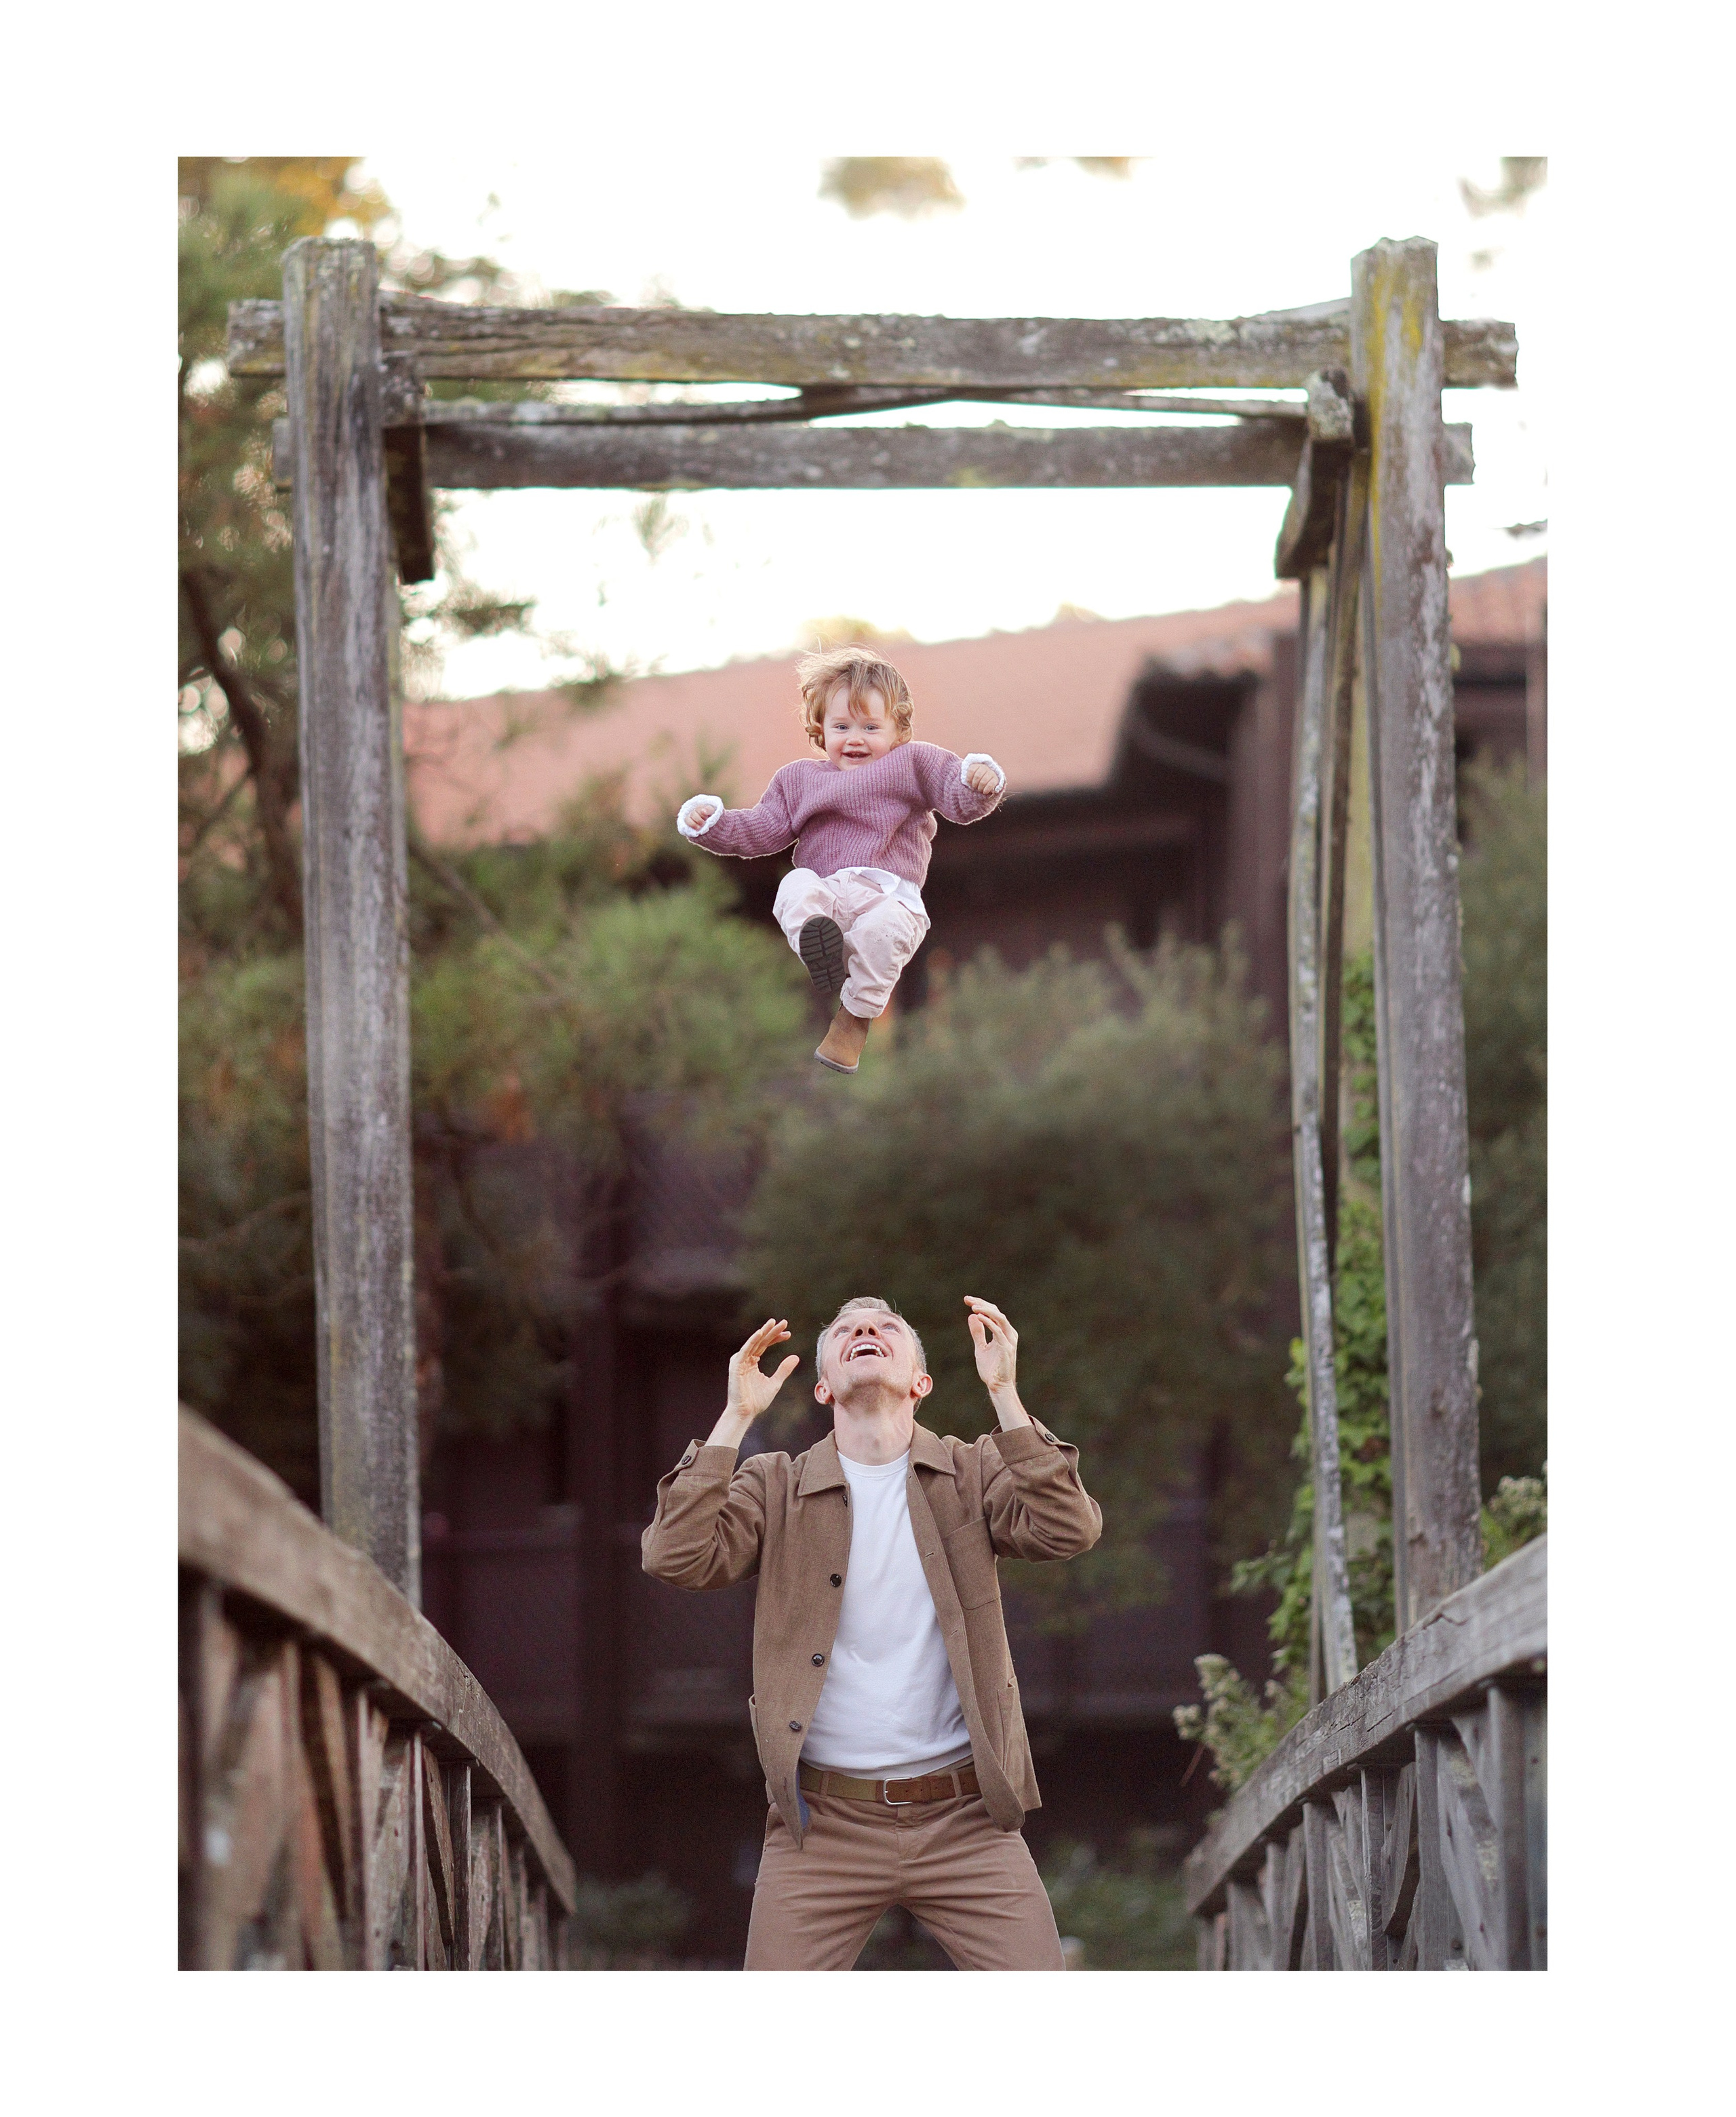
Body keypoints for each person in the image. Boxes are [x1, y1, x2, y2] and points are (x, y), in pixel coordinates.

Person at [642, 1292, 1102, 1971]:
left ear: (920, 1381)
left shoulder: (972, 1471)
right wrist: (735, 1416)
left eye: (887, 1326)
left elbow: (1069, 1527)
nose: (865, 1327)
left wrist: (1005, 1394)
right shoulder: (775, 1485)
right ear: (824, 1387)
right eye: (846, 1329)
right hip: (821, 1827)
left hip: (968, 1819)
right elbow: (674, 1555)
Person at [675, 646, 1006, 1072]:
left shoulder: (913, 763)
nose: (855, 738)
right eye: (842, 726)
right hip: (827, 894)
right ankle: (820, 947)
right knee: (794, 886)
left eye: (871, 727)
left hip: (889, 897)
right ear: (821, 730)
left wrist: (978, 782)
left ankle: (852, 1022)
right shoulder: (799, 780)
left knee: (884, 933)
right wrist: (713, 824)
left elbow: (955, 794)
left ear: (898, 729)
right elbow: (761, 829)